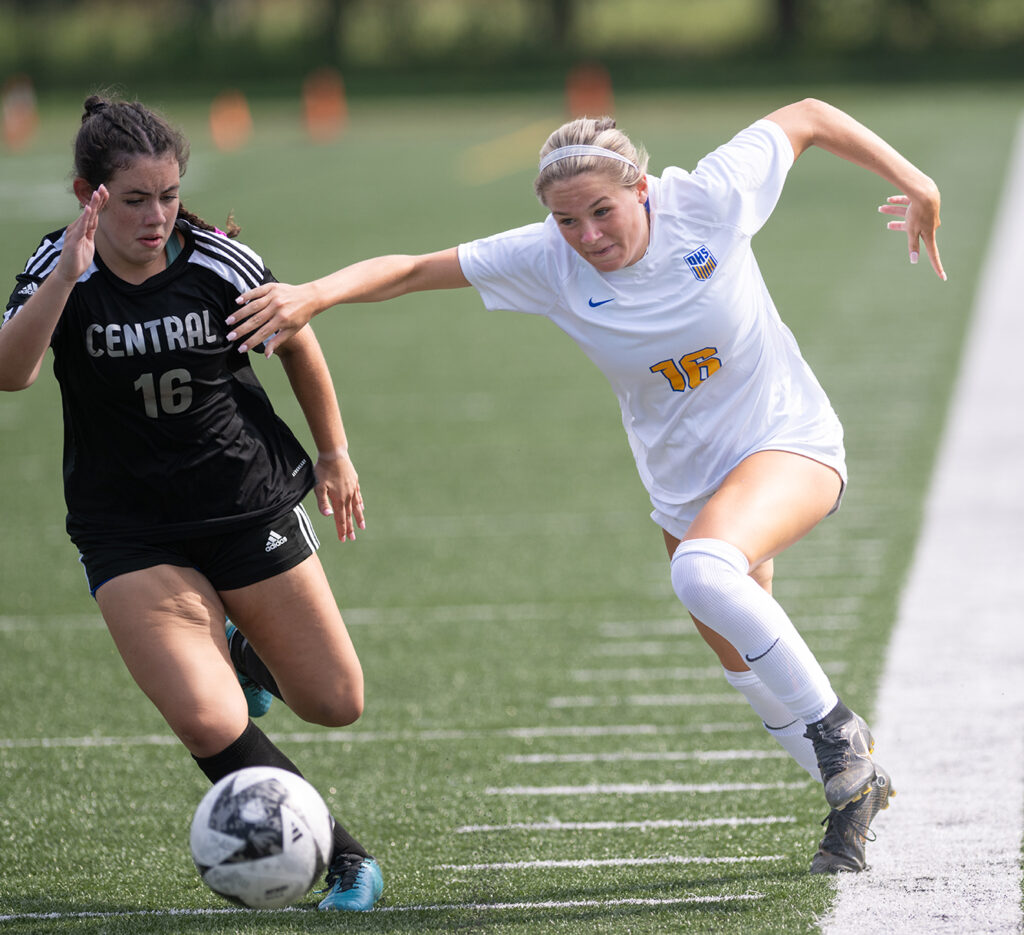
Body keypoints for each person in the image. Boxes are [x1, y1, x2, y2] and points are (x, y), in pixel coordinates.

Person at [225, 97, 945, 874]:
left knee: (701, 571)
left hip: (789, 442)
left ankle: (840, 737)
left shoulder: (708, 198)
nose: (588, 237)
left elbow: (807, 117)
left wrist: (918, 184)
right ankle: (857, 791)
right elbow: (409, 270)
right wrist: (314, 295)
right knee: (746, 665)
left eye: (601, 212)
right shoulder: (548, 259)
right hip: (685, 488)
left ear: (640, 187)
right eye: (568, 222)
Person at [0, 95, 384, 910]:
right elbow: (12, 372)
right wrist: (65, 279)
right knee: (211, 722)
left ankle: (243, 650)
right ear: (86, 193)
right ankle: (344, 857)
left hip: (247, 507)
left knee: (335, 701)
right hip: (129, 531)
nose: (156, 215)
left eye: (168, 194)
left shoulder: (216, 262)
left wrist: (335, 453)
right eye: (134, 199)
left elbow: (299, 339)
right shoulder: (58, 265)